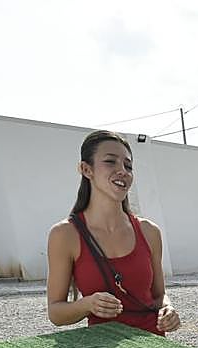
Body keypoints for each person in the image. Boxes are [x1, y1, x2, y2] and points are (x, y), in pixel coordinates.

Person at [46, 130, 180, 335]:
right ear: (86, 169)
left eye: (128, 166)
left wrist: (168, 309)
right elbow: (56, 312)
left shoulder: (149, 231)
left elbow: (159, 295)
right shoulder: (65, 234)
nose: (122, 171)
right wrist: (87, 304)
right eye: (110, 162)